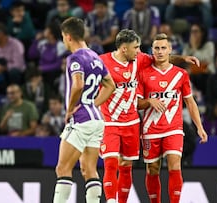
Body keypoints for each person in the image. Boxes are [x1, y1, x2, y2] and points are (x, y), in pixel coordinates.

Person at [99, 29, 200, 203]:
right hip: (109, 121)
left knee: (126, 166)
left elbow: (161, 58)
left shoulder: (139, 60)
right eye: (136, 48)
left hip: (131, 122)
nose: (139, 51)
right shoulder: (102, 62)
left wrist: (183, 59)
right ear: (124, 49)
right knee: (111, 163)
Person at [137, 33, 208, 203]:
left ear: (170, 50)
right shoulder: (143, 73)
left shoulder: (181, 74)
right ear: (152, 50)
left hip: (173, 128)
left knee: (175, 165)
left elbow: (190, 102)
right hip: (150, 128)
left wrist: (200, 127)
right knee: (152, 169)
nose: (160, 51)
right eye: (157, 48)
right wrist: (149, 101)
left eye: (163, 48)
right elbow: (137, 103)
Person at [53, 17, 115, 203]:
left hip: (80, 119)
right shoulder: (95, 56)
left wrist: (70, 109)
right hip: (97, 120)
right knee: (89, 169)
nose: (63, 41)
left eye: (63, 37)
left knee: (62, 169)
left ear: (68, 36)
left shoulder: (75, 58)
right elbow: (110, 85)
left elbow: (78, 85)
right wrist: (93, 105)